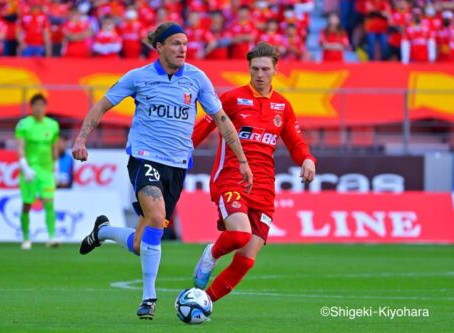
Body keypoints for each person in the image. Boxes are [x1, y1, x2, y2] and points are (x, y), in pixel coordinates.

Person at [71, 22, 253, 320]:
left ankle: (102, 231)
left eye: (185, 43)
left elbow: (220, 118)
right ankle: (148, 297)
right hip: (144, 158)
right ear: (159, 47)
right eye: (176, 43)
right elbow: (101, 106)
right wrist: (81, 138)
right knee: (156, 216)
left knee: (142, 243)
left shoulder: (196, 78)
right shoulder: (138, 77)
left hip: (177, 165)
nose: (183, 48)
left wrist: (242, 160)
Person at [191, 42, 316, 303]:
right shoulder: (232, 99)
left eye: (265, 69)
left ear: (275, 70)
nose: (260, 74)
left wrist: (306, 159)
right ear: (248, 69)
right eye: (255, 69)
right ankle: (211, 255)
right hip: (232, 176)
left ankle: (203, 303)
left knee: (247, 259)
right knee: (238, 235)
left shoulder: (283, 105)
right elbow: (203, 127)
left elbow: (295, 141)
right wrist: (182, 150)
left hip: (264, 187)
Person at [15, 93, 60, 250]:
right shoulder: (24, 125)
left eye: (42, 105)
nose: (40, 108)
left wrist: (56, 166)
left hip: (47, 171)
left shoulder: (53, 125)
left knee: (49, 202)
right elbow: (20, 147)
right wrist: (24, 166)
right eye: (37, 105)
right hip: (30, 171)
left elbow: (54, 147)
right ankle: (26, 238)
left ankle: (52, 237)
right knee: (27, 204)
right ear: (31, 107)